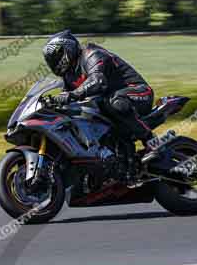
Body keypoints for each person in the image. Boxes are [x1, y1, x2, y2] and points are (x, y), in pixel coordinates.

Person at [41, 30, 162, 171]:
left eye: (56, 57)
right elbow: (67, 98)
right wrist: (53, 104)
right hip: (108, 102)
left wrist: (72, 95)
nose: (54, 62)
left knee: (115, 102)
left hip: (138, 93)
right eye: (51, 60)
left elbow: (98, 81)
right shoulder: (69, 74)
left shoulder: (91, 54)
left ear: (67, 50)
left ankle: (151, 141)